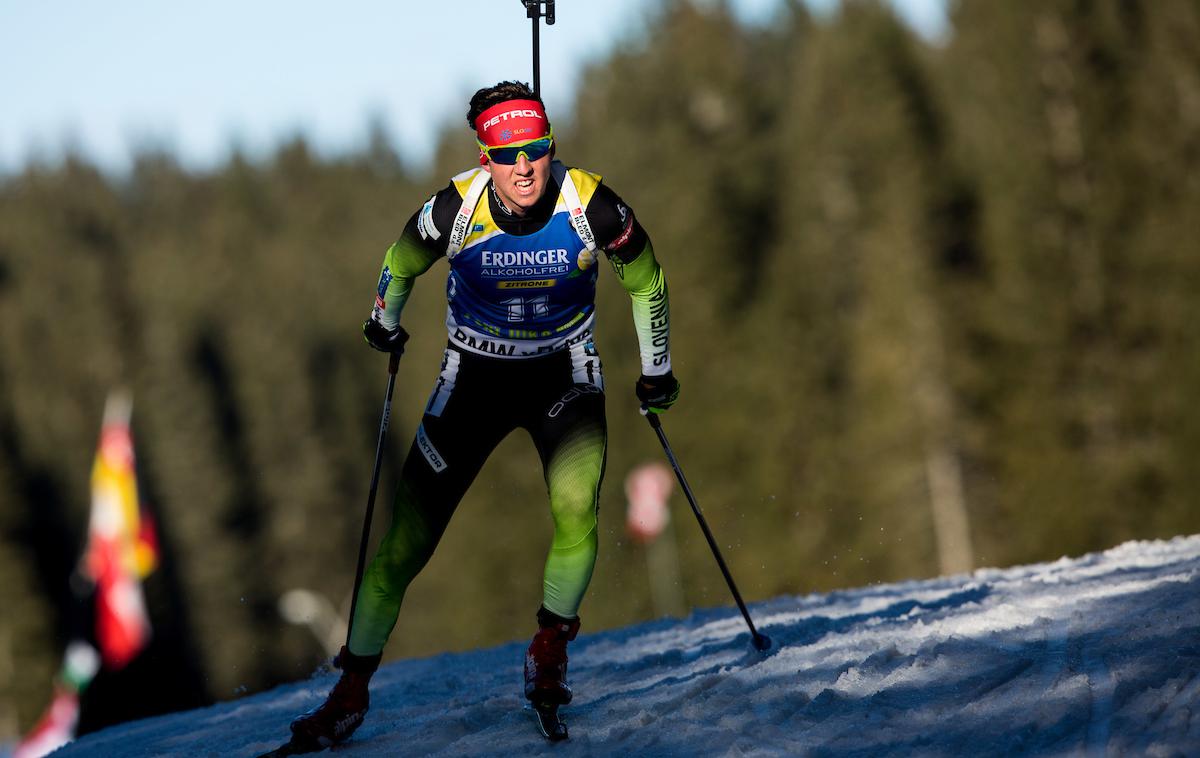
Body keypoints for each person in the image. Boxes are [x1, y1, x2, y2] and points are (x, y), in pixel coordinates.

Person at [289, 80, 679, 747]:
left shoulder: (594, 205)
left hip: (564, 373)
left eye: (537, 149)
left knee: (577, 506)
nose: (525, 166)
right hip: (474, 376)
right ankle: (350, 689)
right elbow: (399, 262)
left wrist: (657, 369)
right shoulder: (454, 208)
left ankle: (551, 646)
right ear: (485, 157)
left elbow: (646, 279)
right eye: (507, 154)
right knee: (404, 546)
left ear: (550, 146)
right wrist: (382, 322)